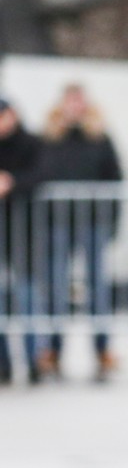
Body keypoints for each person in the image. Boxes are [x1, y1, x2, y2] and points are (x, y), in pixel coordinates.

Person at [36, 84, 124, 382]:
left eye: (79, 101)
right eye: (70, 101)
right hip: (57, 224)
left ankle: (102, 350)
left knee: (98, 290)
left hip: (93, 223)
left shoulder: (99, 138)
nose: (74, 106)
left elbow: (116, 179)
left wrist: (113, 223)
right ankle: (53, 350)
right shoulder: (48, 139)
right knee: (56, 289)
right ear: (63, 105)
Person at [0, 95, 44, 384]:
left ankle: (32, 360)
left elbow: (41, 174)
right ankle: (2, 363)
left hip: (25, 233)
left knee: (27, 296)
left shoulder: (31, 143)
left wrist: (11, 182)